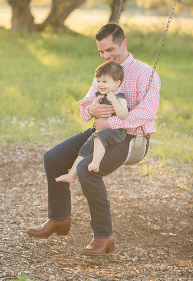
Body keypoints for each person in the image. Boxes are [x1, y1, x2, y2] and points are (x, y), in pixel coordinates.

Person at [26, 24, 160, 257]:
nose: (106, 56)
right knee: (53, 158)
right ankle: (59, 219)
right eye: (101, 52)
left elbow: (147, 112)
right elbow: (85, 109)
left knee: (87, 169)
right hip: (100, 132)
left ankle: (103, 236)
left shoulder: (145, 73)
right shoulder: (104, 71)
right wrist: (93, 108)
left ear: (124, 44)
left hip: (132, 138)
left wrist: (112, 123)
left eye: (110, 50)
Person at [54, 62, 129, 183]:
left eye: (104, 82)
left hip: (117, 132)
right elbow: (94, 107)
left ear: (116, 83)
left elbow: (123, 114)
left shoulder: (120, 97)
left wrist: (114, 101)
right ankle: (71, 176)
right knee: (84, 149)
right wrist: (89, 103)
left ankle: (95, 163)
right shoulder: (100, 95)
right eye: (98, 81)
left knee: (99, 137)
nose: (100, 84)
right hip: (100, 132)